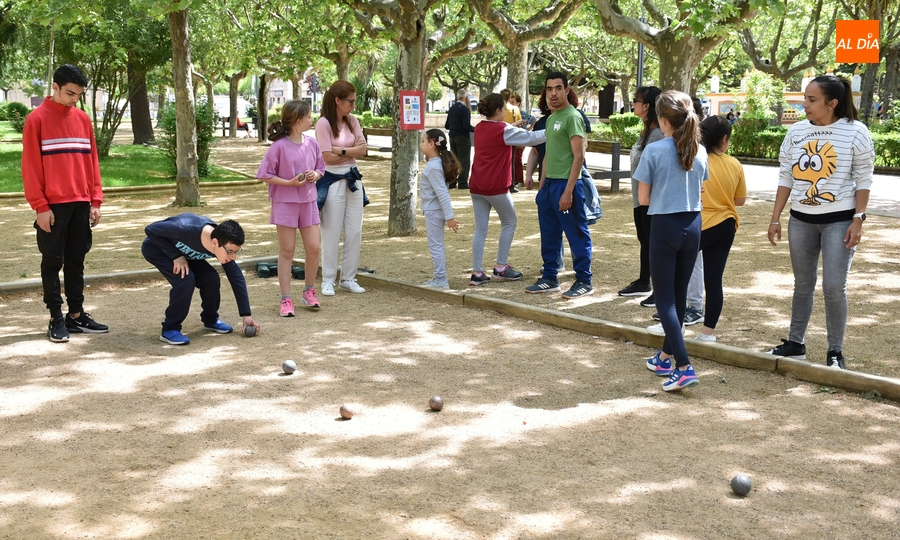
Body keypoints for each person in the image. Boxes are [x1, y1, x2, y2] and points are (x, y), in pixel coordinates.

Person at [765, 74, 874, 369]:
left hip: (840, 221)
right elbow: (786, 177)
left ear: (832, 103)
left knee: (834, 286)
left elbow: (864, 178)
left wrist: (858, 219)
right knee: (803, 284)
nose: (805, 105)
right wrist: (775, 218)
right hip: (800, 220)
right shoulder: (796, 132)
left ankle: (835, 352)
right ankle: (795, 343)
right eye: (805, 98)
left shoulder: (856, 131)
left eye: (812, 100)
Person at [22, 64, 108, 343]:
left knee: (76, 260)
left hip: (81, 203)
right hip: (52, 206)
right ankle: (55, 317)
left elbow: (92, 162)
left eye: (79, 95)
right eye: (70, 93)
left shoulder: (83, 119)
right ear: (55, 87)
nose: (75, 99)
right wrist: (40, 206)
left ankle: (76, 314)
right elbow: (31, 167)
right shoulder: (36, 119)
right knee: (52, 262)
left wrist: (95, 199)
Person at [634, 90, 708, 392]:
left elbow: (643, 198)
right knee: (677, 295)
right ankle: (665, 357)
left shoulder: (655, 151)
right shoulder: (699, 150)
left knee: (665, 299)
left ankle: (683, 365)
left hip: (664, 224)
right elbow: (702, 189)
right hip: (693, 225)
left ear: (663, 120)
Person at [525, 71, 593, 299]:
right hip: (549, 187)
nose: (553, 93)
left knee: (576, 234)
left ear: (566, 90)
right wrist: (542, 189)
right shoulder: (552, 118)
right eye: (549, 89)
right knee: (549, 234)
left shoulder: (573, 117)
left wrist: (568, 190)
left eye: (558, 88)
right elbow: (547, 156)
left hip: (567, 185)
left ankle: (584, 280)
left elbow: (579, 157)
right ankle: (550, 277)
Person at [142, 214, 260, 345]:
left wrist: (246, 315)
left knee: (211, 278)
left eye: (236, 252)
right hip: (158, 249)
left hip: (186, 255)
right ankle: (170, 328)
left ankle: (210, 320)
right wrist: (175, 256)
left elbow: (236, 277)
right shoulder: (184, 228)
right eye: (230, 251)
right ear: (214, 243)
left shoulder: (222, 242)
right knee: (186, 280)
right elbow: (151, 229)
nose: (233, 257)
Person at [256, 99, 325, 316]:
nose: (311, 119)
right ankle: (285, 299)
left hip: (309, 202)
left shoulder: (312, 143)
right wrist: (290, 183)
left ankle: (309, 291)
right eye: (308, 117)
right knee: (287, 251)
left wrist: (317, 174)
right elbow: (264, 175)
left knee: (314, 247)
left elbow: (321, 168)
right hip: (285, 203)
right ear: (297, 120)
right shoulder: (278, 147)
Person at [468, 93, 545, 287]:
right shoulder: (504, 129)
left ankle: (477, 272)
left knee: (481, 229)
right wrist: (554, 130)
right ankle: (501, 267)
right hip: (496, 185)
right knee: (510, 221)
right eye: (505, 107)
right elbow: (532, 138)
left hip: (477, 184)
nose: (507, 110)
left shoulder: (479, 128)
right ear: (498, 111)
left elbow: (501, 134)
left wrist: (512, 128)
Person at [693, 115, 746, 342]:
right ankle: (708, 333)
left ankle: (671, 326)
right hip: (726, 224)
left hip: (698, 224)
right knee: (714, 281)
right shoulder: (734, 164)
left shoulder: (693, 159)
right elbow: (740, 199)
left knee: (677, 274)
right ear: (725, 139)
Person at [315, 80, 368, 296]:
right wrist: (349, 151)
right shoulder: (324, 124)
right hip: (332, 180)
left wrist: (341, 151)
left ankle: (348, 277)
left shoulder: (353, 121)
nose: (353, 106)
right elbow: (325, 156)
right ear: (338, 100)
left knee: (354, 231)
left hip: (353, 180)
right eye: (350, 101)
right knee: (331, 231)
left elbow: (363, 150)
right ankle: (328, 279)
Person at [618, 86, 663, 306]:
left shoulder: (658, 135)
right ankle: (644, 280)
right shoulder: (646, 132)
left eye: (636, 101)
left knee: (654, 243)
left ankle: (659, 288)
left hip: (652, 201)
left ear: (646, 106)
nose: (633, 104)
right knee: (645, 241)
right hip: (640, 199)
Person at [419, 129, 461, 289]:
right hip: (434, 211)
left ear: (431, 144)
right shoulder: (435, 164)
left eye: (423, 141)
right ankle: (439, 278)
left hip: (434, 212)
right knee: (436, 245)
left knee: (435, 245)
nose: (421, 144)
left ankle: (441, 280)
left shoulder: (433, 167)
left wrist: (450, 217)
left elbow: (443, 194)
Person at [445, 88, 475, 190]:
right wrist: (476, 129)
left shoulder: (452, 108)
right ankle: (462, 182)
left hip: (452, 136)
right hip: (462, 136)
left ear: (457, 97)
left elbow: (447, 125)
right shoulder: (465, 109)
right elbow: (466, 125)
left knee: (454, 160)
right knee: (464, 160)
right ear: (466, 97)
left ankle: (452, 181)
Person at [500, 88, 524, 193]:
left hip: (500, 136)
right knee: (511, 161)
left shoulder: (498, 108)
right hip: (512, 136)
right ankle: (511, 184)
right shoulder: (514, 109)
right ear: (509, 98)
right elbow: (519, 121)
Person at [509, 93, 533, 189]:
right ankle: (514, 179)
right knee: (512, 160)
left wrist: (527, 131)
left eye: (513, 102)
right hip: (512, 139)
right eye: (510, 102)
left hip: (519, 139)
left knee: (518, 160)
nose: (511, 104)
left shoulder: (522, 113)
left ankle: (519, 180)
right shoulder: (509, 111)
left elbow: (534, 120)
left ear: (518, 103)